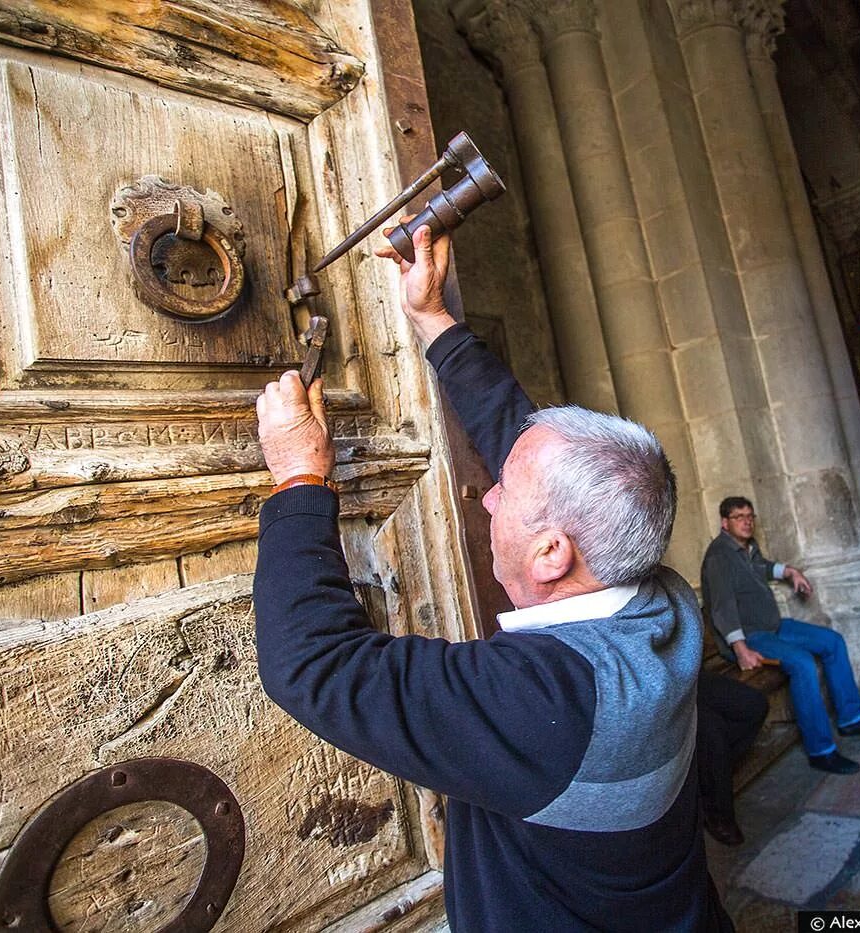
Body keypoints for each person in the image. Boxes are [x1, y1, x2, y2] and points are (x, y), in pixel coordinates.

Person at [253, 224, 732, 931]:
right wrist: (432, 317)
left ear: (551, 554)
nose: (488, 494)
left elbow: (314, 664)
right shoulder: (659, 595)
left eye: (504, 489)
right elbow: (528, 441)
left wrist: (298, 474)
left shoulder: (548, 702)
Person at [700, 496, 860, 776]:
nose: (746, 521)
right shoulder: (719, 556)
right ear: (724, 523)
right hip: (749, 638)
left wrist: (790, 571)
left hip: (773, 627)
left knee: (832, 641)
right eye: (739, 516)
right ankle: (821, 751)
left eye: (750, 516)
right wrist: (740, 649)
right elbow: (721, 607)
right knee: (802, 663)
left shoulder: (747, 548)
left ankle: (851, 718)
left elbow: (763, 566)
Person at [695, 670, 768, 846]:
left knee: (755, 705)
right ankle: (717, 814)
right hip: (652, 688)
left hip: (685, 675)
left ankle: (710, 774)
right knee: (713, 734)